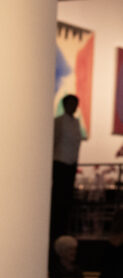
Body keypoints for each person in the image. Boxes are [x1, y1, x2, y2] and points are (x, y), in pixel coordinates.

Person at [51, 94, 84, 240]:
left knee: (67, 199)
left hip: (70, 164)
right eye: (71, 104)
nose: (73, 107)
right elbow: (54, 141)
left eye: (75, 104)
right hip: (60, 163)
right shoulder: (59, 122)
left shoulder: (76, 123)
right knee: (59, 198)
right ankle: (56, 230)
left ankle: (63, 228)